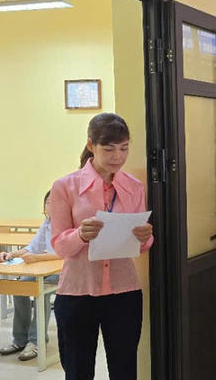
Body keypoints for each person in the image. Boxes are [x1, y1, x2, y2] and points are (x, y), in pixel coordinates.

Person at [49, 113, 154, 379]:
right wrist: (80, 235)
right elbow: (59, 246)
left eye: (124, 148)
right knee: (78, 371)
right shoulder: (65, 187)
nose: (117, 156)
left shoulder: (134, 187)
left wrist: (145, 237)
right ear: (91, 145)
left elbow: (142, 245)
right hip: (77, 292)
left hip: (124, 292)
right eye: (109, 149)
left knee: (124, 369)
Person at [0, 191, 60, 361]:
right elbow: (32, 248)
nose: (50, 205)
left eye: (54, 202)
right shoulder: (47, 223)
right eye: (48, 202)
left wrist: (38, 258)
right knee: (21, 287)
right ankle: (20, 339)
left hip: (64, 272)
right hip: (45, 269)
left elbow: (63, 253)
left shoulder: (68, 224)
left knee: (41, 292)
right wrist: (10, 255)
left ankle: (36, 341)